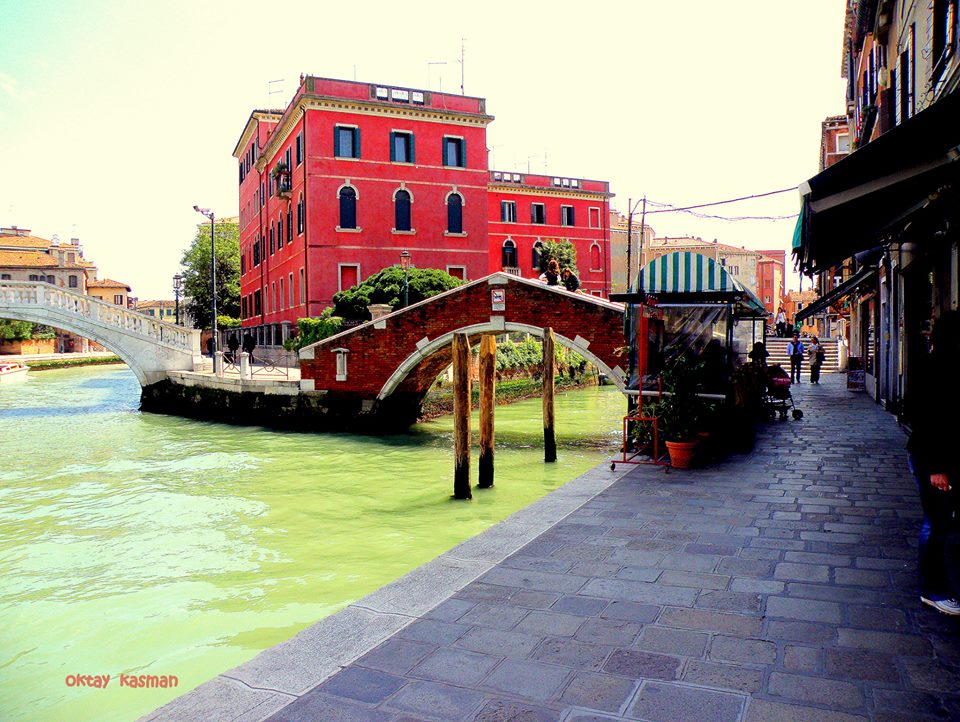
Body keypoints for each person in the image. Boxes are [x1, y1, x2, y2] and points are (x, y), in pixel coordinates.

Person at [907, 310, 960, 615]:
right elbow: (928, 420)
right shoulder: (937, 368)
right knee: (936, 522)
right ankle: (932, 589)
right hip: (932, 461)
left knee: (940, 521)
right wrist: (937, 467)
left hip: (935, 459)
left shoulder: (939, 365)